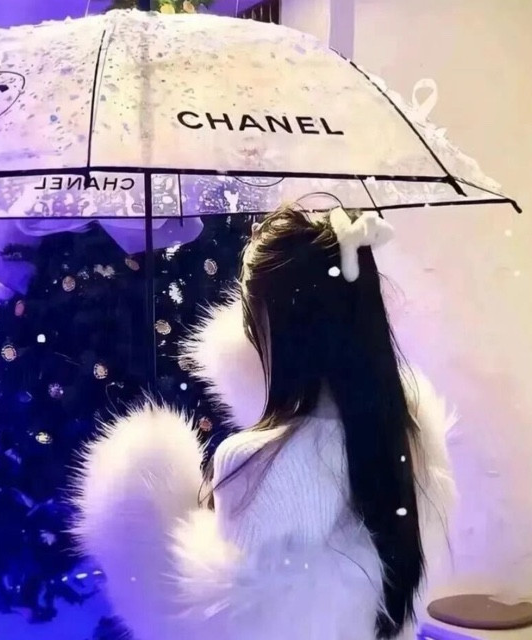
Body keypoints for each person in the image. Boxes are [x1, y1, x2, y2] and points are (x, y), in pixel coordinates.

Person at [72, 204, 457, 640]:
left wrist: (145, 500)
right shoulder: (408, 433)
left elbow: (226, 621)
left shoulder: (253, 459)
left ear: (267, 325)